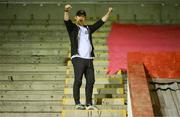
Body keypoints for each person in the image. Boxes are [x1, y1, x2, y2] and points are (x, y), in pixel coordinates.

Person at [64, 4, 112, 110]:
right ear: (76, 17)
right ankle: (77, 103)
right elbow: (66, 21)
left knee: (91, 81)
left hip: (89, 59)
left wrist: (108, 13)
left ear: (85, 18)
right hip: (78, 58)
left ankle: (89, 103)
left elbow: (100, 23)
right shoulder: (72, 28)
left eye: (83, 16)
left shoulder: (88, 28)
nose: (81, 17)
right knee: (78, 80)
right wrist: (66, 11)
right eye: (79, 16)